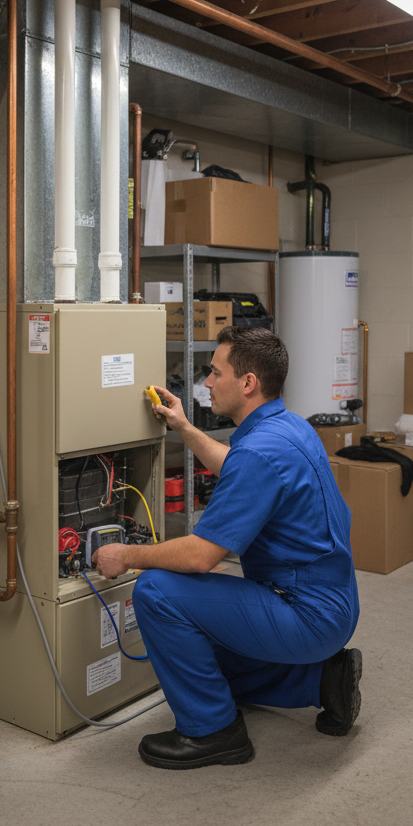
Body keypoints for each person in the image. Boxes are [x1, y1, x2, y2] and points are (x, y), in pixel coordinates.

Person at [93, 326, 361, 770]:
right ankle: (320, 682)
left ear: (248, 382)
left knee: (157, 592)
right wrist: (182, 426)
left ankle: (213, 732)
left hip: (306, 614)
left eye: (216, 373)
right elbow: (238, 464)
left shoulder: (260, 449)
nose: (207, 383)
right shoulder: (286, 426)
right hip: (334, 604)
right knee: (202, 662)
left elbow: (202, 556)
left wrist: (125, 555)